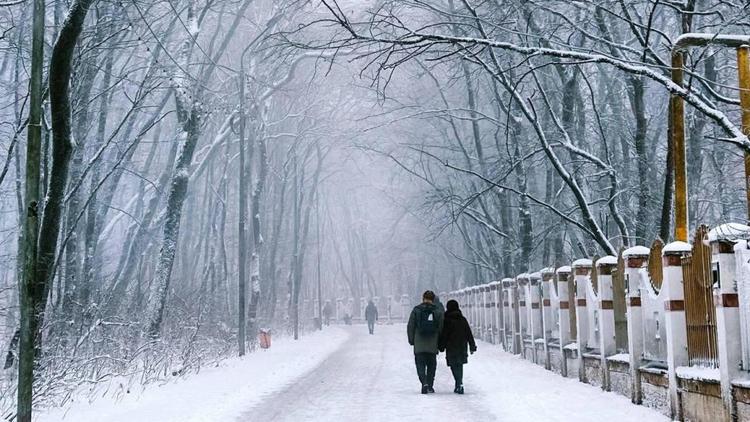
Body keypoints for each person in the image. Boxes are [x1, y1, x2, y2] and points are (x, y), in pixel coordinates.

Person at [407, 290, 444, 394]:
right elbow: (441, 327)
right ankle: (430, 385)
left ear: (423, 298)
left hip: (419, 343)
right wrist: (440, 341)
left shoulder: (416, 310)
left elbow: (411, 326)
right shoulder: (437, 311)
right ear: (433, 299)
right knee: (432, 365)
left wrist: (411, 340)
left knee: (420, 365)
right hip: (432, 343)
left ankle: (424, 383)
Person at [438, 300, 477, 394]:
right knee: (459, 365)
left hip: (451, 347)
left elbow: (444, 334)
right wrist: (472, 346)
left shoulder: (446, 320)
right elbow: (469, 333)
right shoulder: (462, 319)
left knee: (453, 365)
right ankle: (459, 383)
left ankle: (458, 382)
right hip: (462, 346)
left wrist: (441, 346)